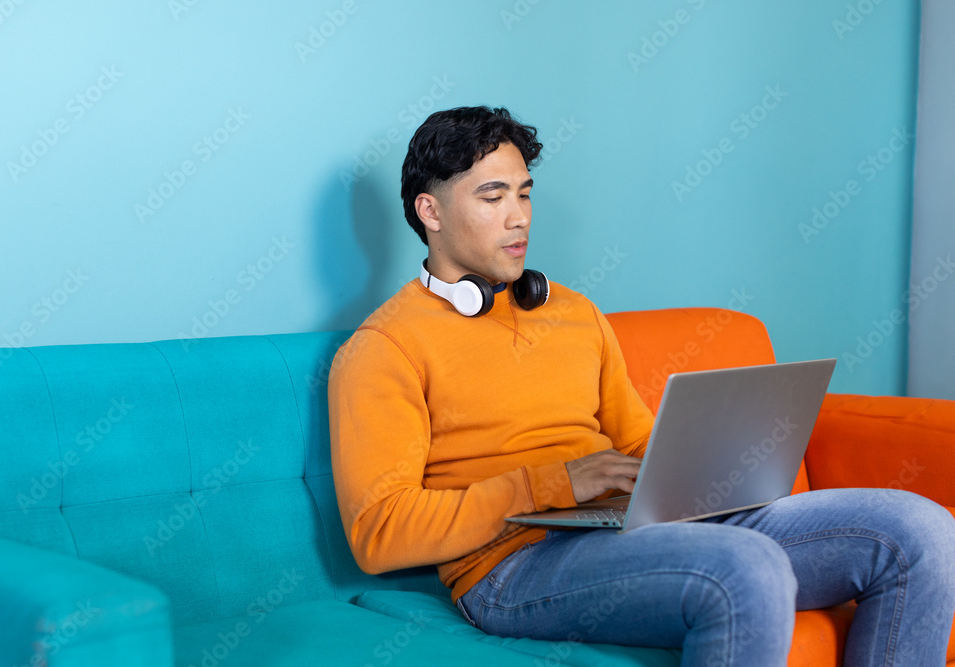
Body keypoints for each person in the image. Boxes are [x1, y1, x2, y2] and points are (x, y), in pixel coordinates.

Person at [328, 105, 955, 665]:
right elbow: (380, 533)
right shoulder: (385, 346)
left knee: (920, 531)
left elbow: (636, 443)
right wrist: (554, 482)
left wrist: (706, 464)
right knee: (745, 565)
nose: (519, 217)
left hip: (631, 530)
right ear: (431, 212)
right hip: (512, 567)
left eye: (524, 193)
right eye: (492, 197)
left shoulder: (572, 313)